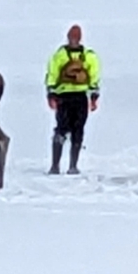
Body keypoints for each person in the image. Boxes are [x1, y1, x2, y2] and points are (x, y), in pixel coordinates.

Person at [45, 24, 101, 175]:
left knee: (64, 129)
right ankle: (68, 166)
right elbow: (94, 76)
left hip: (66, 96)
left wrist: (51, 93)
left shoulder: (61, 54)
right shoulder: (88, 55)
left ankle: (59, 166)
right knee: (74, 130)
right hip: (76, 97)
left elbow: (52, 74)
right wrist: (94, 96)